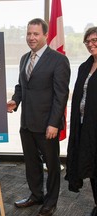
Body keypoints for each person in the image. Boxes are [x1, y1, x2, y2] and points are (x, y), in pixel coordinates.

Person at [7, 18, 70, 216]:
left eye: (35, 34)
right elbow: (21, 86)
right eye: (29, 34)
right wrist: (15, 101)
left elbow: (61, 95)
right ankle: (36, 195)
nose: (31, 38)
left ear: (45, 35)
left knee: (51, 166)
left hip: (47, 126)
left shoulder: (59, 60)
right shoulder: (25, 58)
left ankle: (51, 202)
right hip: (26, 123)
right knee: (32, 163)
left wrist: (53, 123)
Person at [65, 27, 97, 216]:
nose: (91, 44)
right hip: (85, 126)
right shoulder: (85, 66)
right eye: (88, 41)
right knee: (91, 167)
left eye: (95, 40)